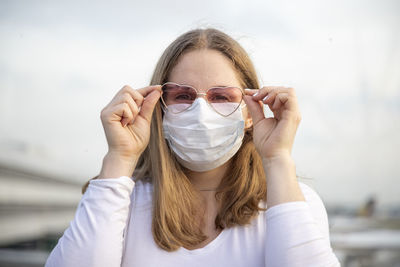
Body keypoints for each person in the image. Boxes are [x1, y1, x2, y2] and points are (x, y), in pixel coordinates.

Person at [45, 28, 340, 267]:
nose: (201, 112)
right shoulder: (123, 200)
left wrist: (277, 160)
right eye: (183, 96)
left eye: (221, 97)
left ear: (250, 112)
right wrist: (119, 157)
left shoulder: (293, 202)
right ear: (158, 108)